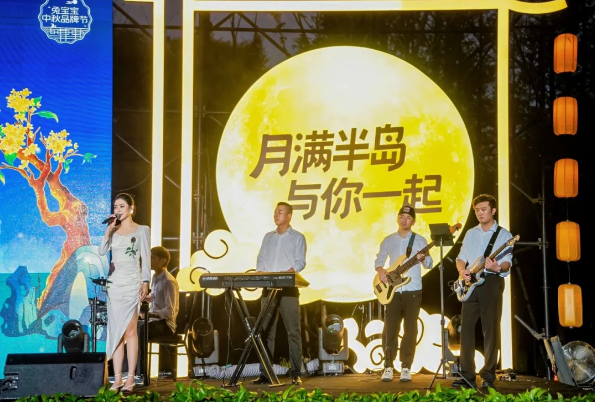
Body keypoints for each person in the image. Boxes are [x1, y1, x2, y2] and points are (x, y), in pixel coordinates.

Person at [451, 194, 513, 389]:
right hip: (470, 284)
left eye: (484, 209)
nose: (480, 213)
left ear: (493, 210)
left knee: (490, 330)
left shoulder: (504, 235)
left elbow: (507, 262)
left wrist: (497, 267)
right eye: (477, 210)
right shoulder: (471, 233)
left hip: (491, 282)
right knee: (466, 329)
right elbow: (461, 257)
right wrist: (462, 271)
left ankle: (488, 375)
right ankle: (467, 375)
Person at [99, 193, 151, 393]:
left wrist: (145, 282)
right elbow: (101, 252)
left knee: (130, 331)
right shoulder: (113, 230)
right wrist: (108, 230)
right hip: (114, 285)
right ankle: (117, 378)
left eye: (122, 206)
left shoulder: (142, 230)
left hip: (131, 283)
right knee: (117, 332)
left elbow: (146, 258)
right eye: (115, 207)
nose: (118, 210)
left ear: (131, 208)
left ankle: (131, 377)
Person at [375, 205, 433, 382]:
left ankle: (406, 367)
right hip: (392, 290)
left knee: (411, 329)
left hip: (413, 289)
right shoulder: (388, 240)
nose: (404, 220)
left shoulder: (420, 240)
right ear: (397, 218)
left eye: (408, 218)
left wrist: (424, 259)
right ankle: (388, 366)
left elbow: (429, 264)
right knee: (390, 329)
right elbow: (379, 259)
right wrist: (381, 271)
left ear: (413, 221)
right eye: (401, 216)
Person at [251, 202, 306, 386]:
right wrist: (260, 271)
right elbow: (261, 258)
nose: (276, 215)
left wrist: (289, 272)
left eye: (280, 212)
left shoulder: (297, 237)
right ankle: (265, 373)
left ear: (289, 216)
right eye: (275, 212)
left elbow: (300, 261)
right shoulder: (268, 237)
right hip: (269, 288)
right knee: (265, 332)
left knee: (293, 332)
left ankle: (295, 372)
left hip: (288, 288)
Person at [137, 246, 179, 378]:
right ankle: (131, 370)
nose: (149, 260)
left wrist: (151, 314)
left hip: (166, 324)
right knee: (132, 326)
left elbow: (170, 311)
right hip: (154, 321)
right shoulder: (155, 277)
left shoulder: (169, 281)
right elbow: (156, 298)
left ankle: (141, 373)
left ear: (162, 261)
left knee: (141, 330)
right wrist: (146, 298)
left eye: (153, 258)